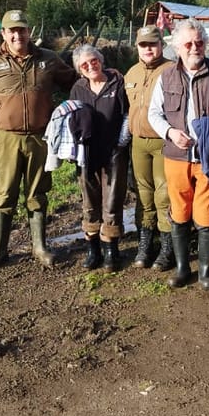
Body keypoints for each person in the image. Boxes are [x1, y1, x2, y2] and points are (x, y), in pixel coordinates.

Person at [0, 9, 76, 269]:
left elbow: (74, 83)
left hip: (40, 138)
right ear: (3, 33)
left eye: (21, 30)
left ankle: (40, 247)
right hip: (5, 139)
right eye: (12, 30)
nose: (17, 35)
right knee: (4, 194)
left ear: (28, 32)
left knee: (38, 192)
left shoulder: (48, 59)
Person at [147, 18, 209, 290]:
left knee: (206, 212)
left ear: (205, 44)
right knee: (178, 211)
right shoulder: (166, 75)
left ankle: (204, 271)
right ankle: (181, 268)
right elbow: (154, 113)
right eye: (188, 43)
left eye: (199, 42)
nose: (194, 47)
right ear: (177, 47)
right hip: (176, 156)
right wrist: (170, 132)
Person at [69, 44, 130, 271]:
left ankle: (111, 249)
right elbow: (72, 117)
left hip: (114, 151)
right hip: (87, 154)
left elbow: (127, 113)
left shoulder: (117, 81)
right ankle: (93, 248)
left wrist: (122, 141)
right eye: (84, 64)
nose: (90, 66)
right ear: (79, 69)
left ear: (100, 60)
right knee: (89, 199)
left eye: (93, 60)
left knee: (112, 199)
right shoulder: (78, 88)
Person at [123, 25, 174, 270]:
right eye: (143, 45)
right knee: (143, 194)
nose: (148, 49)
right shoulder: (131, 73)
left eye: (152, 44)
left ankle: (167, 246)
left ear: (161, 45)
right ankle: (145, 242)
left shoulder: (172, 70)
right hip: (138, 142)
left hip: (164, 141)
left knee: (164, 194)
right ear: (138, 48)